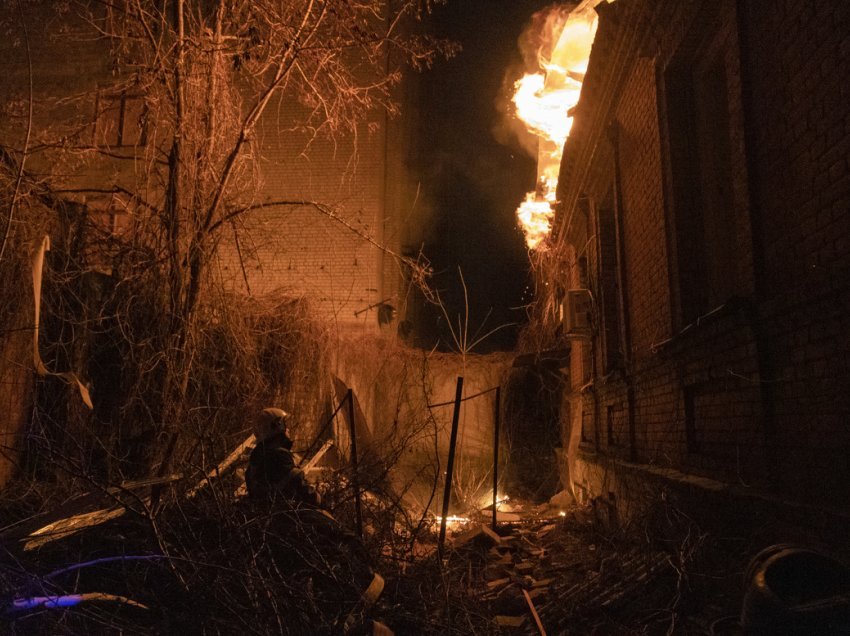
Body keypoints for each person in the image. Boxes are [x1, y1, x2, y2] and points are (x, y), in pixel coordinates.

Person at [245, 407, 321, 507]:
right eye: (285, 424)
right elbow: (299, 486)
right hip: (282, 515)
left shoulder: (256, 455)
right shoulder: (279, 455)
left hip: (262, 513)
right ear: (276, 426)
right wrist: (319, 500)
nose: (288, 429)